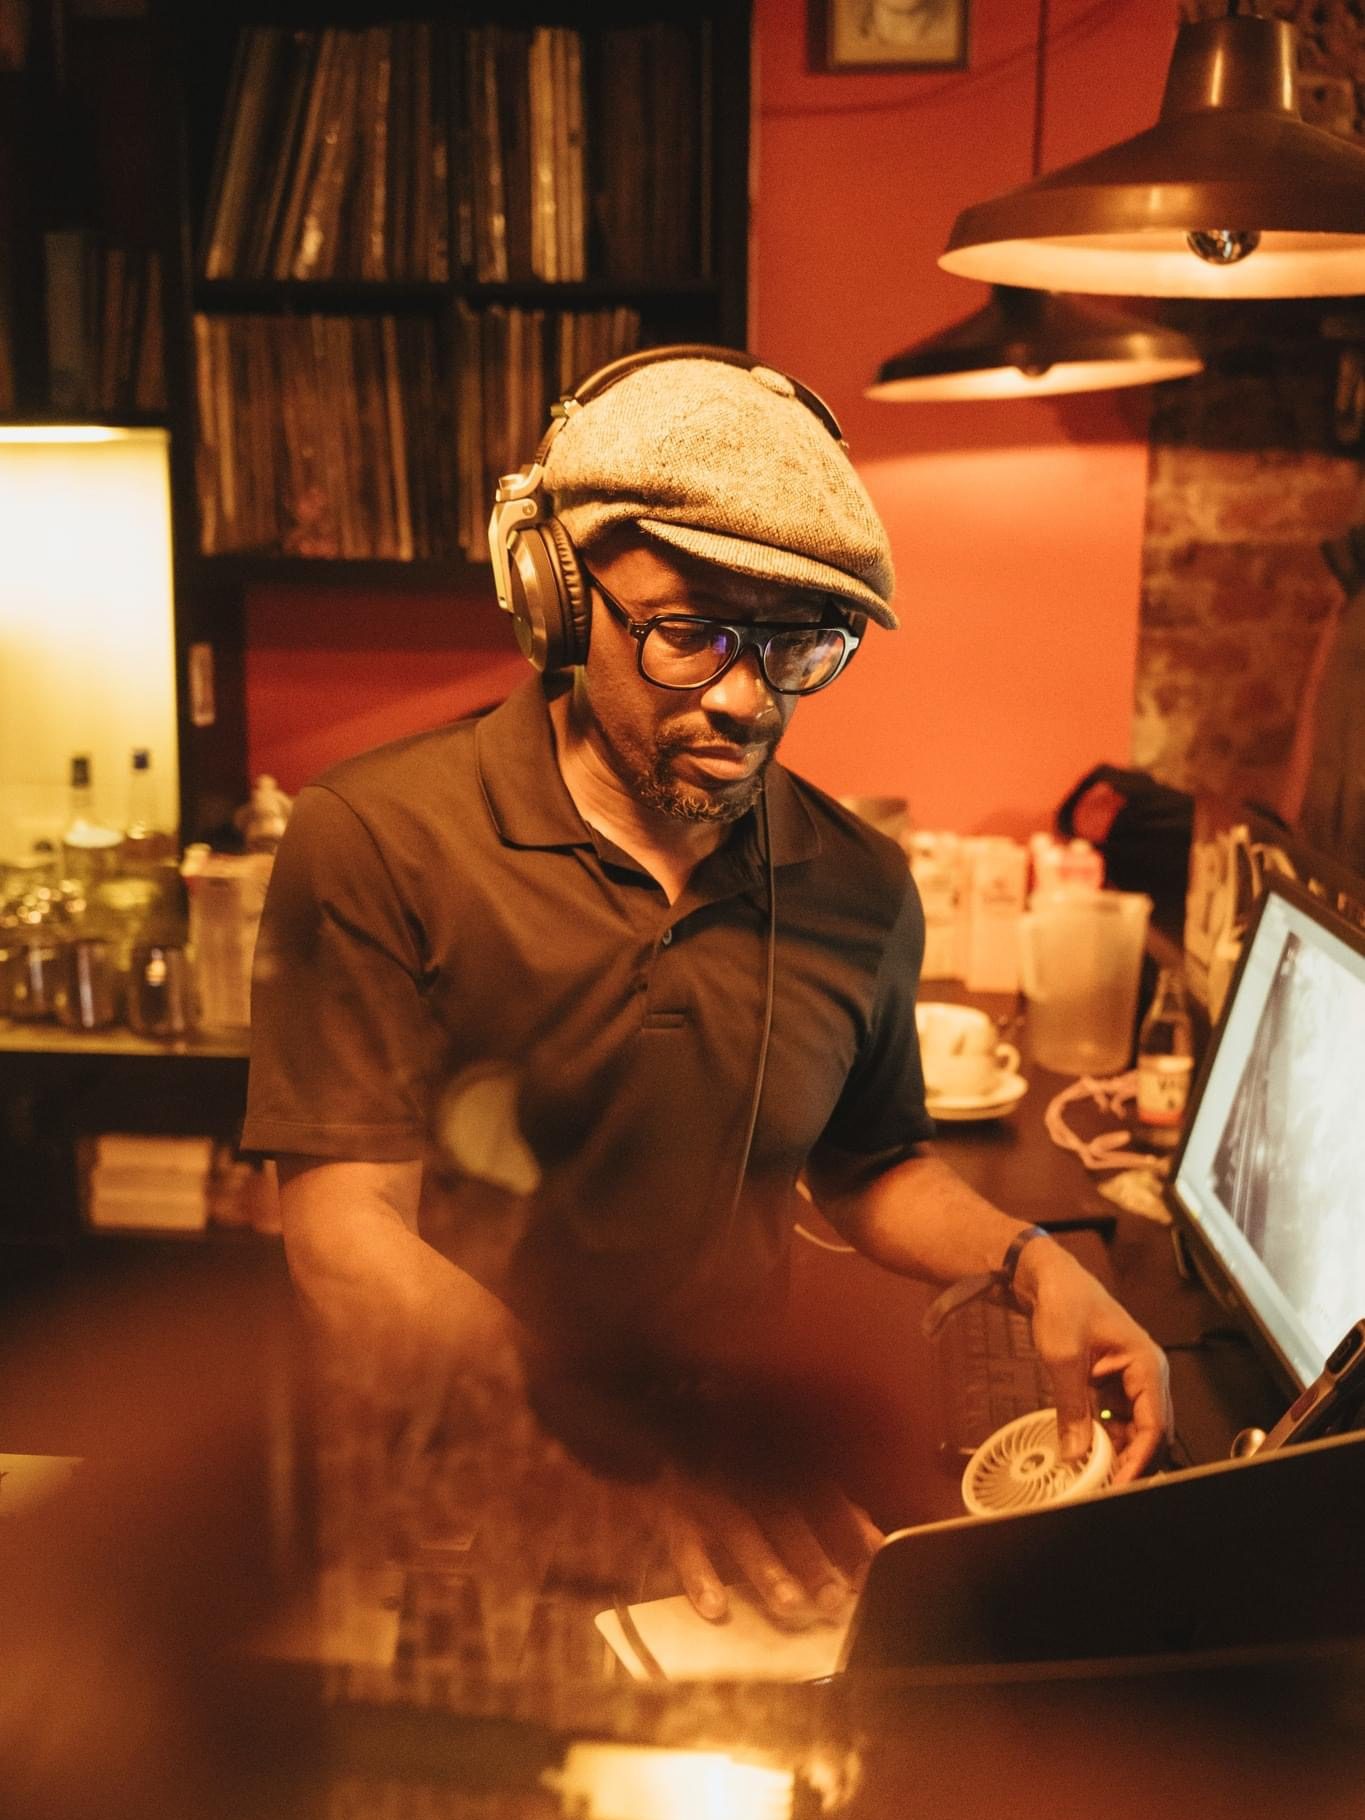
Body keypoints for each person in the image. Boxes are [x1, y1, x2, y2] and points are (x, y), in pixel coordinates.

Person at [243, 346, 1172, 1631]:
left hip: (718, 1501)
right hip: (460, 1504)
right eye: (689, 632)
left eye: (797, 645)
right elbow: (346, 1235)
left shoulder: (859, 883)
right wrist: (610, 1450)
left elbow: (868, 1163)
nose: (743, 697)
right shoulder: (377, 838)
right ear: (560, 597)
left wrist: (1030, 1262)